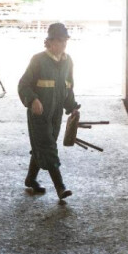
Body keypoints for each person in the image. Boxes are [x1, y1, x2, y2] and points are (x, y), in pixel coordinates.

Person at [18, 22, 81, 201]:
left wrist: (72, 107)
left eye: (65, 41)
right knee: (48, 147)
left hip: (56, 116)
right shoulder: (38, 60)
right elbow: (23, 84)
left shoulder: (68, 61)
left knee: (43, 146)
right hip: (38, 114)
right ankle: (61, 188)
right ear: (49, 42)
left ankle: (30, 179)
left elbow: (68, 87)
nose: (63, 44)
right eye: (59, 41)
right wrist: (32, 100)